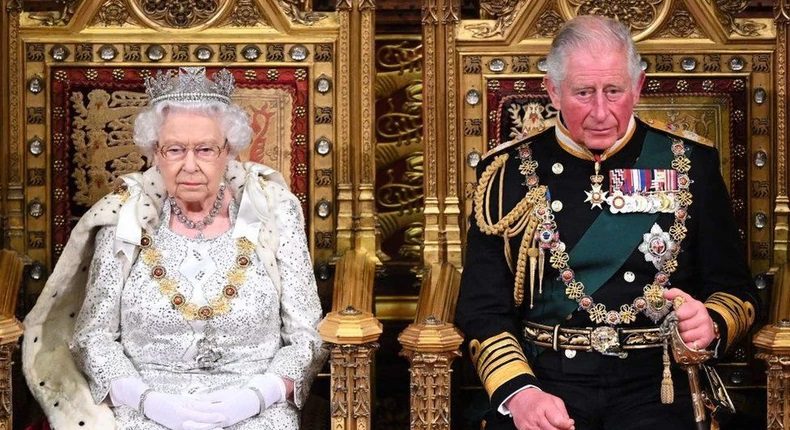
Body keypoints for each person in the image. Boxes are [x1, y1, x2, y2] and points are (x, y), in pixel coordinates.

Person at [455, 15, 759, 430]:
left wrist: (710, 322)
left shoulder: (690, 164)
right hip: (546, 380)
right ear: (553, 91)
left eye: (614, 91)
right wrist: (519, 393)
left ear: (637, 86)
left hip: (659, 384)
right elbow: (482, 305)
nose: (600, 112)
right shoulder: (505, 172)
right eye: (583, 92)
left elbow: (735, 291)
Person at [23, 67, 326, 430]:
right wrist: (147, 402)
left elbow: (307, 336)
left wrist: (256, 397)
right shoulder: (125, 217)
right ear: (155, 152)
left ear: (228, 151)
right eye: (175, 149)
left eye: (205, 149)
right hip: (145, 409)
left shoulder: (274, 211)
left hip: (257, 409)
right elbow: (93, 336)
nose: (190, 165)